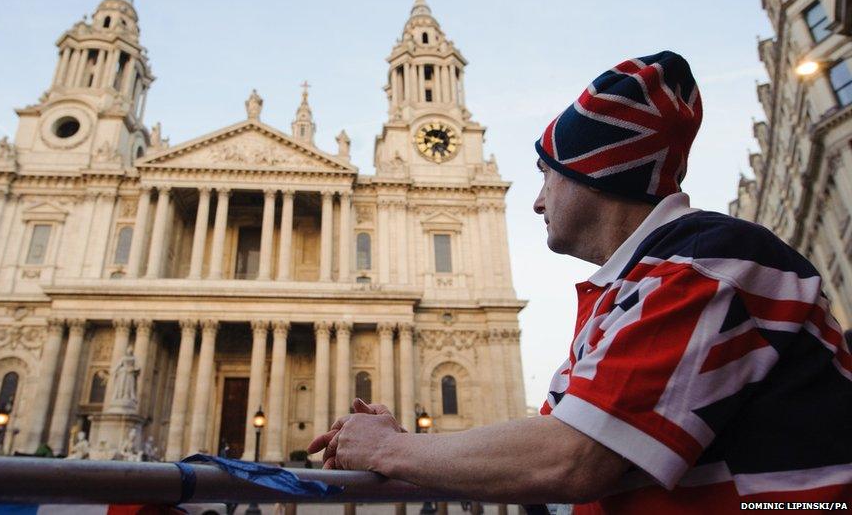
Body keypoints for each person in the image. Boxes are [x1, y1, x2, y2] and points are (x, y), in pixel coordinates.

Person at [308, 51, 852, 512]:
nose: (537, 199)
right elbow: (554, 449)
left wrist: (388, 452)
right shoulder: (638, 285)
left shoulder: (705, 265)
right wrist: (409, 445)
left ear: (593, 174)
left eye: (547, 175)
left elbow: (572, 458)